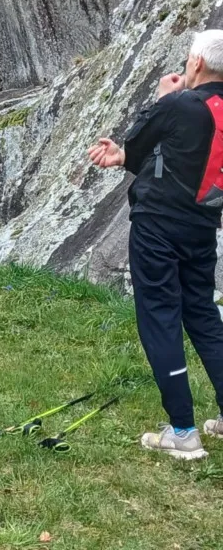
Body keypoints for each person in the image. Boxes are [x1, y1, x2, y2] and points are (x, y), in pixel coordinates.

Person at [88, 29, 223, 460]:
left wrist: (164, 96)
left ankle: (182, 431)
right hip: (203, 226)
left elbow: (139, 139)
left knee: (160, 317)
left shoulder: (181, 104)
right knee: (202, 314)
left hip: (158, 227)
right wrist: (125, 157)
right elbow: (177, 155)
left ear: (196, 63)